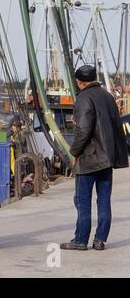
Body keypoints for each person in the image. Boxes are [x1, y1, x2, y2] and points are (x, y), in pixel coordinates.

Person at [60, 65, 128, 251]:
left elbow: (83, 130)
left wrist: (74, 152)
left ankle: (80, 240)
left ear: (79, 81)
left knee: (82, 200)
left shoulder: (83, 98)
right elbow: (116, 126)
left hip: (89, 158)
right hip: (107, 158)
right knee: (104, 200)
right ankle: (100, 240)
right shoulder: (107, 96)